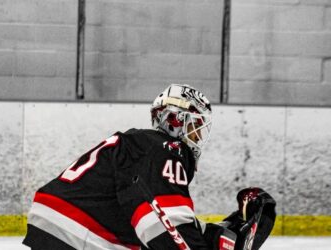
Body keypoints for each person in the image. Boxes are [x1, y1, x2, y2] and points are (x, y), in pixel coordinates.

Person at [23, 84, 276, 250]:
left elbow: (167, 219)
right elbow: (165, 227)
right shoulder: (164, 150)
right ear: (177, 122)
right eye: (196, 128)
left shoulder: (142, 146)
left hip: (63, 231)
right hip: (77, 236)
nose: (197, 139)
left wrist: (224, 234)